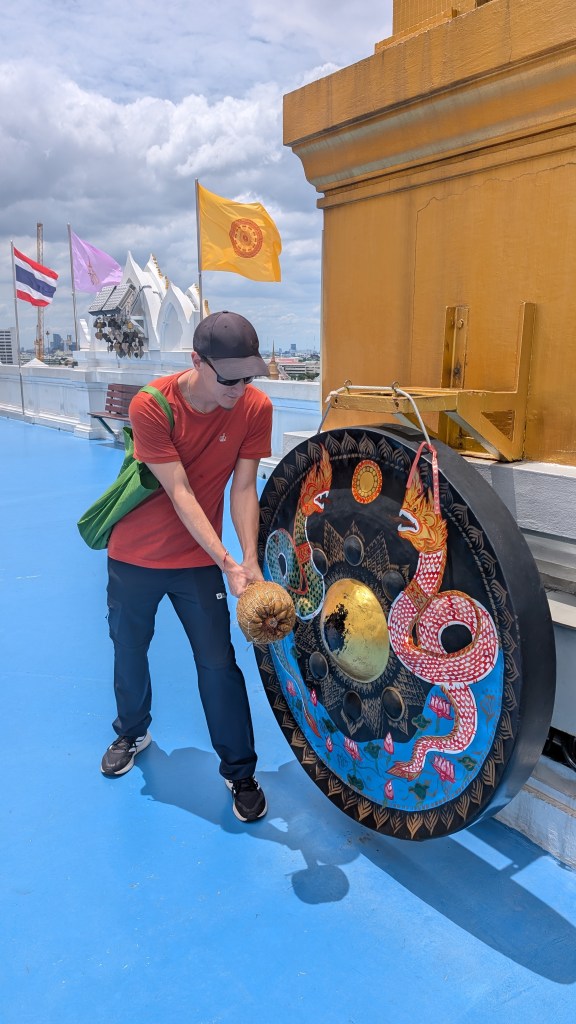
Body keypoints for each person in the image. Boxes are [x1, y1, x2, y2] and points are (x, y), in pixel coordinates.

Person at [100, 310, 273, 823]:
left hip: (196, 560)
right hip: (135, 554)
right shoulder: (152, 405)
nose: (239, 389)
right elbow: (179, 491)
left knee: (218, 663)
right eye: (229, 378)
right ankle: (132, 732)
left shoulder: (255, 407)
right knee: (129, 649)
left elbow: (244, 487)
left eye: (248, 377)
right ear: (197, 361)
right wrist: (227, 562)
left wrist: (249, 559)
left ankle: (240, 771)